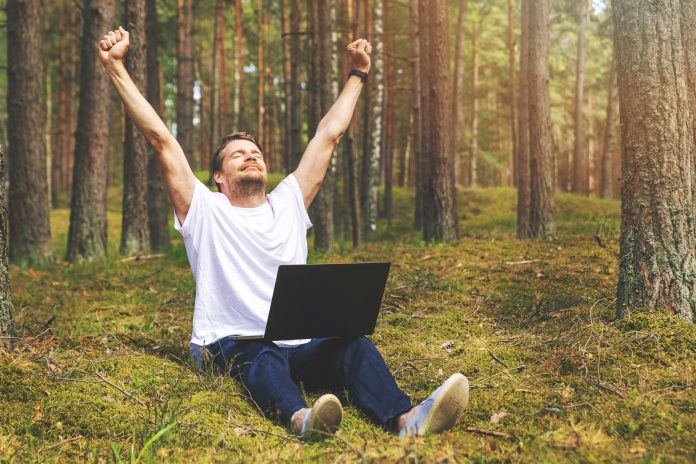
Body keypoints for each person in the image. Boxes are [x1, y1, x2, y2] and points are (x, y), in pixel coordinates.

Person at [99, 26, 469, 440]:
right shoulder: (203, 208)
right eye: (238, 154)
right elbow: (160, 139)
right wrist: (116, 67)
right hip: (229, 344)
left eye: (255, 152)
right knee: (261, 351)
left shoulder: (289, 202)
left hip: (298, 345)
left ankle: (406, 420)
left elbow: (329, 135)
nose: (251, 156)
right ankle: (301, 420)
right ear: (219, 176)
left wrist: (357, 74)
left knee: (354, 344)